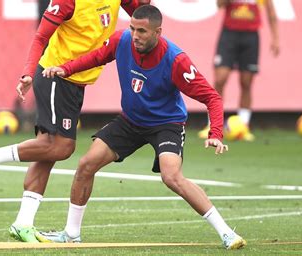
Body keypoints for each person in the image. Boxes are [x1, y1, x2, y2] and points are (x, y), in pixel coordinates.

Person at [38, 5, 247, 249]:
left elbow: (212, 97)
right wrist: (66, 68)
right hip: (130, 121)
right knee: (86, 165)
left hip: (165, 124)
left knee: (171, 177)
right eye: (132, 28)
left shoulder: (176, 60)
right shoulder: (122, 40)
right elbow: (95, 57)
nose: (135, 35)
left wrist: (216, 134)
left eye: (142, 31)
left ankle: (226, 233)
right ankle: (71, 233)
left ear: (158, 32)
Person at [0, 0, 151, 243]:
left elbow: (141, 14)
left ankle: (23, 223)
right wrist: (27, 72)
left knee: (48, 150)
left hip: (76, 80)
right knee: (61, 147)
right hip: (55, 76)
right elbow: (41, 37)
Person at [198, 0, 280, 141]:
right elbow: (219, 5)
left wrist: (276, 38)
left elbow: (271, 12)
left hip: (251, 37)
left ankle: (243, 125)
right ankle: (212, 125)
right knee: (220, 79)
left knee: (246, 82)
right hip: (229, 35)